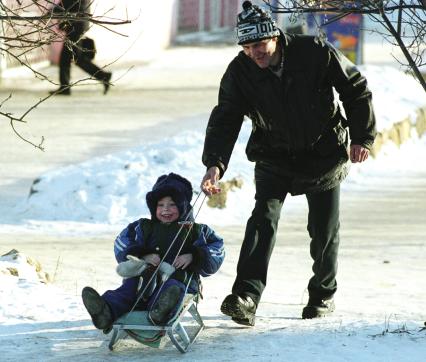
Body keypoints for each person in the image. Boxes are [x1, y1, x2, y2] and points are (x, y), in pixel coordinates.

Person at [201, 1, 376, 326]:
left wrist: (361, 137)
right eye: (248, 47)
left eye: (260, 45)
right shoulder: (240, 72)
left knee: (323, 230)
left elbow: (355, 89)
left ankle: (322, 295)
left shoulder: (313, 52)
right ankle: (246, 297)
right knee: (262, 221)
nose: (255, 52)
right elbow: (225, 118)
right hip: (274, 154)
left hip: (322, 153)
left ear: (275, 38)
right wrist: (215, 164)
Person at [82, 173, 225, 331]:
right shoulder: (144, 227)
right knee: (129, 288)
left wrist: (194, 255)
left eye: (172, 204)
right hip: (144, 279)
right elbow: (121, 242)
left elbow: (217, 247)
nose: (165, 210)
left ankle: (160, 311)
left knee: (171, 290)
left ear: (183, 205)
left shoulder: (196, 230)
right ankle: (105, 311)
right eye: (160, 205)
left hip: (179, 281)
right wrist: (142, 254)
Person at [50, 0, 112, 95]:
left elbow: (68, 3)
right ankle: (65, 87)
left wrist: (52, 11)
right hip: (78, 24)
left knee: (72, 59)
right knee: (71, 58)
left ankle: (103, 76)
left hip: (75, 26)